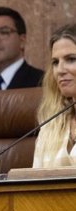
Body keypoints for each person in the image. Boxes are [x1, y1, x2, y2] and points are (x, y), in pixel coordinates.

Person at [33, 24, 76, 167]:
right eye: (55, 62)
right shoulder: (50, 127)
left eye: (71, 59)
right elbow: (34, 184)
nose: (60, 70)